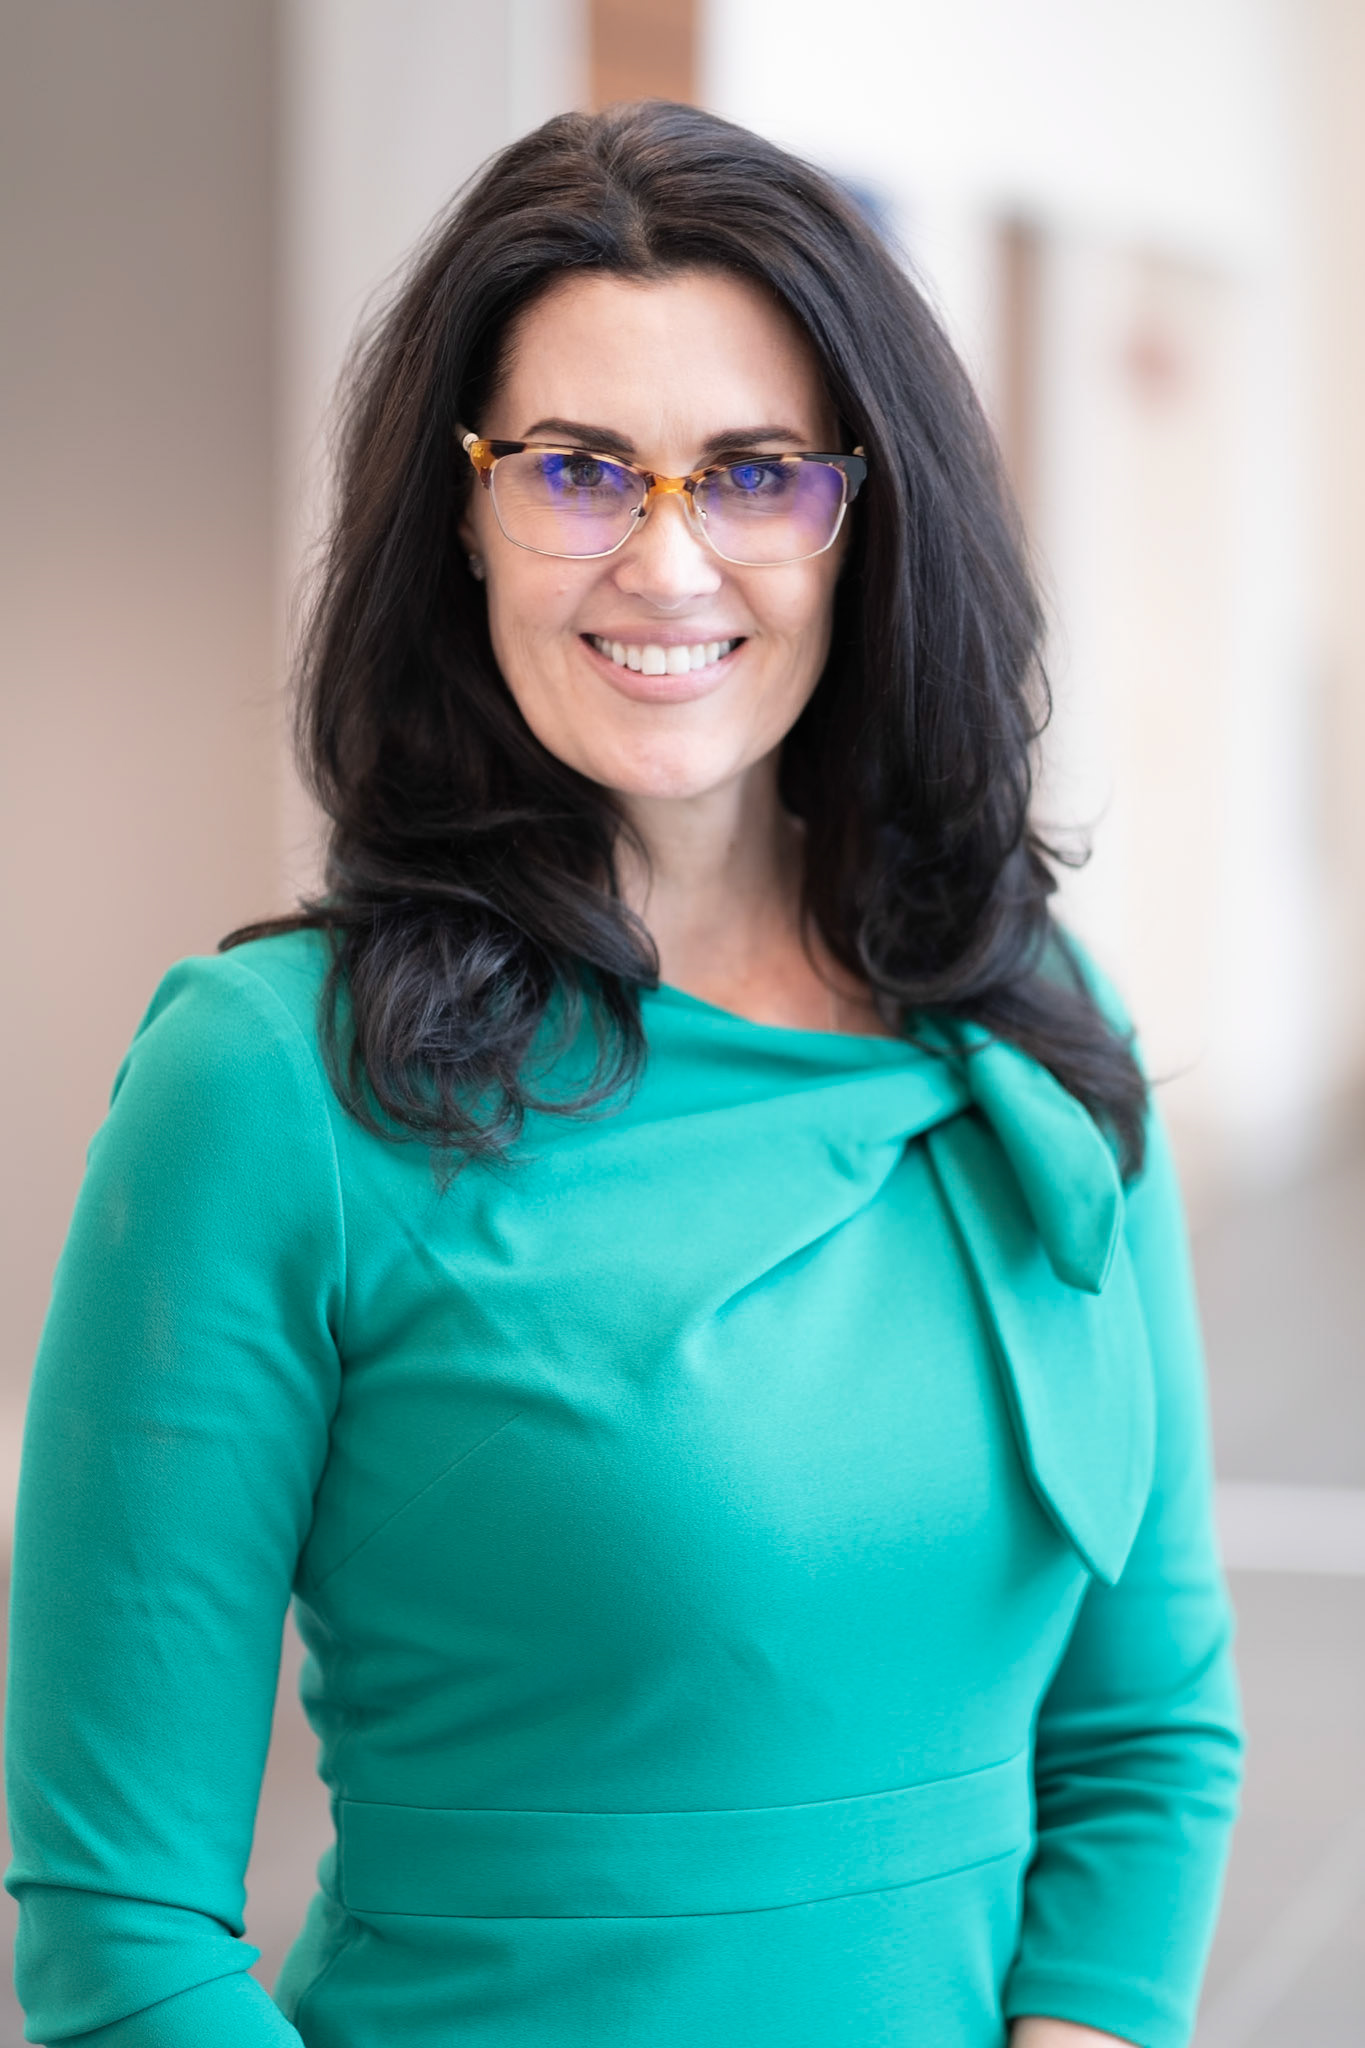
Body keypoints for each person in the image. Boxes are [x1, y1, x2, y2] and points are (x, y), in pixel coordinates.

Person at [5, 100, 1242, 2048]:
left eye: (752, 471)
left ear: (864, 514)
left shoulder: (1028, 1024)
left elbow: (1146, 1743)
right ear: (461, 515)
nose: (667, 564)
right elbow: (116, 1931)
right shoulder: (263, 1091)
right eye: (579, 468)